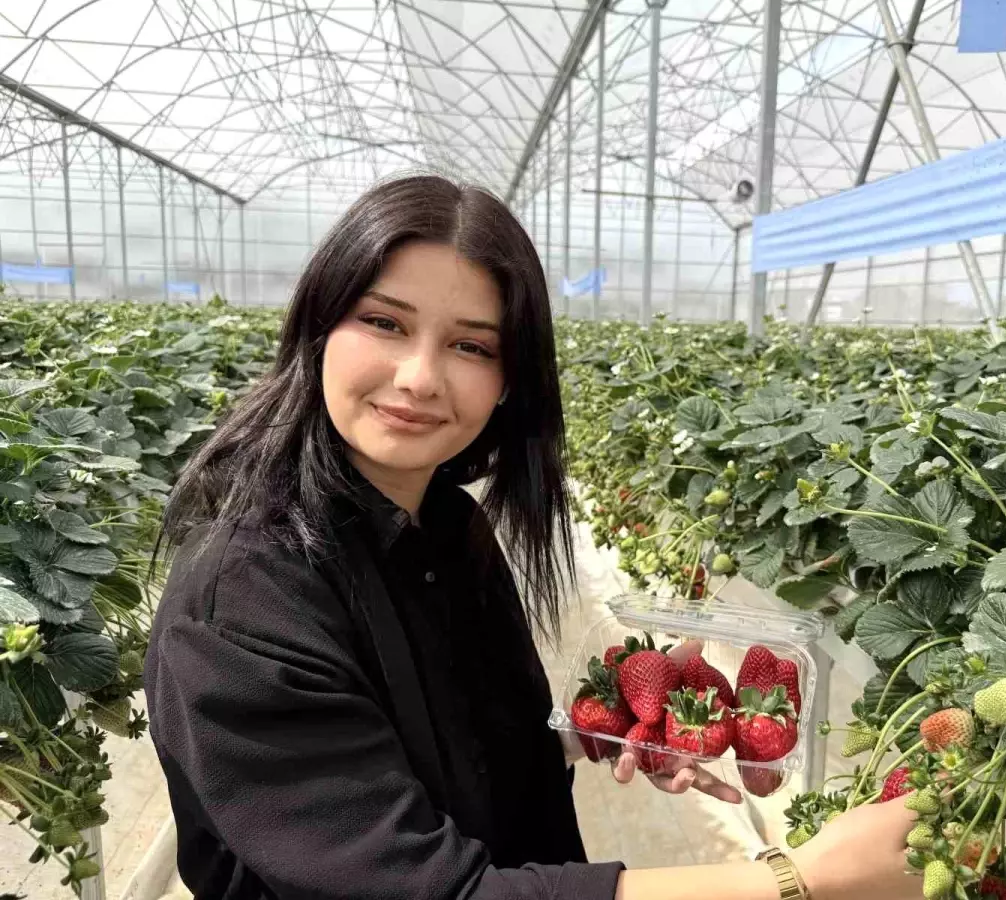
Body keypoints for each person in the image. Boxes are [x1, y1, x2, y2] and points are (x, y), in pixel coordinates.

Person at [143, 173, 922, 900]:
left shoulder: (451, 525)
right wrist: (799, 878)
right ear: (318, 328)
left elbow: (468, 757)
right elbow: (437, 891)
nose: (420, 376)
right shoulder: (242, 600)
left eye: (471, 346)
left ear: (509, 381)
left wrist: (613, 731)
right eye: (384, 323)